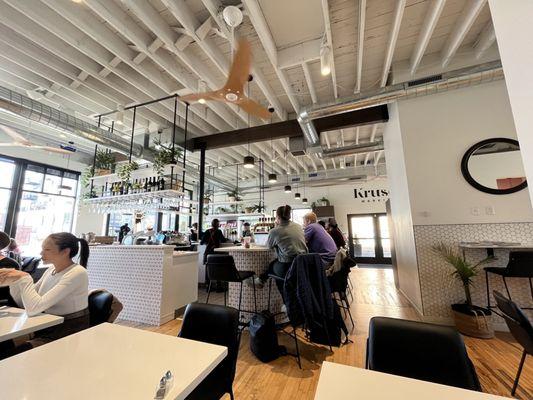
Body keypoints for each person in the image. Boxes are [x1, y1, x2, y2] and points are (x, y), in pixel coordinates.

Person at [0, 232, 90, 359]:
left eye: (47, 249)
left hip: (67, 331)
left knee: (9, 355)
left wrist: (24, 278)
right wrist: (15, 282)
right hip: (45, 325)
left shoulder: (77, 273)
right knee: (4, 345)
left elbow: (34, 308)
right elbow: (23, 303)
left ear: (65, 252)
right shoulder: (50, 270)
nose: (41, 253)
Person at [265, 205, 307, 298]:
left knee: (272, 267)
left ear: (277, 217)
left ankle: (286, 302)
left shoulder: (274, 231)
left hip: (288, 266)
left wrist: (276, 227)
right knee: (274, 263)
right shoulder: (298, 226)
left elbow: (268, 246)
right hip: (303, 264)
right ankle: (260, 280)